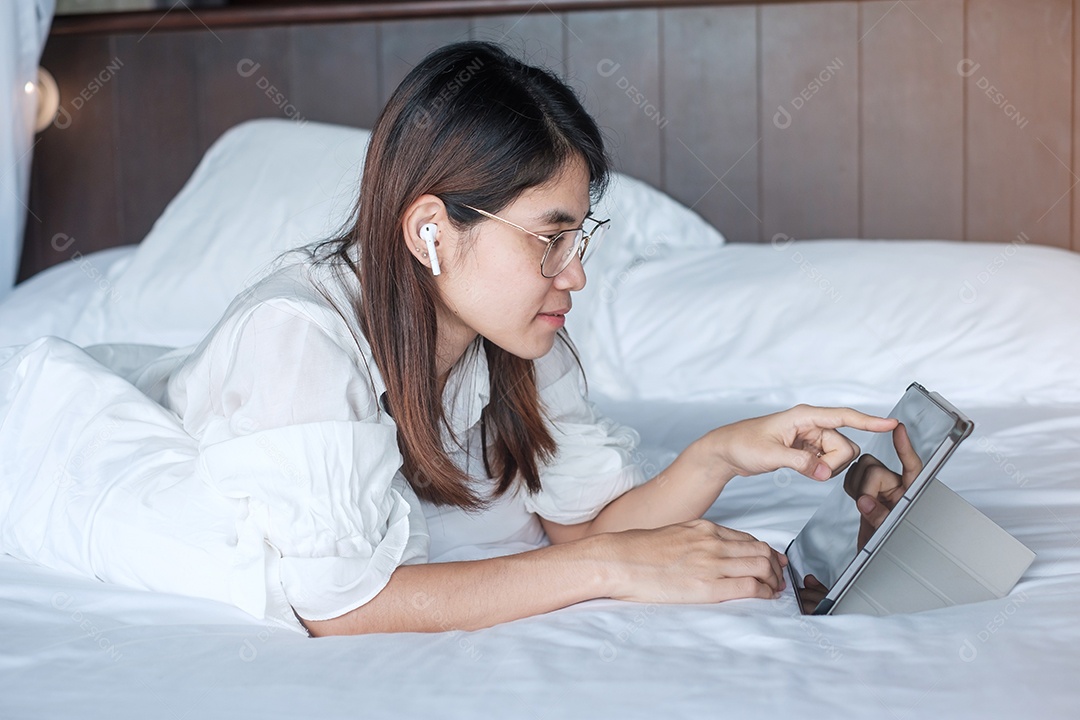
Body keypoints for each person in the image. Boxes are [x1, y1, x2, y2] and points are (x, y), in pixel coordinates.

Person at [0, 41, 898, 637]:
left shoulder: (513, 335)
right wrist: (605, 572)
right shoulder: (297, 337)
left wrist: (723, 453)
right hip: (63, 452)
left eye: (581, 238)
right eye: (550, 237)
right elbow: (339, 607)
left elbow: (576, 522)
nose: (574, 273)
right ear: (430, 230)